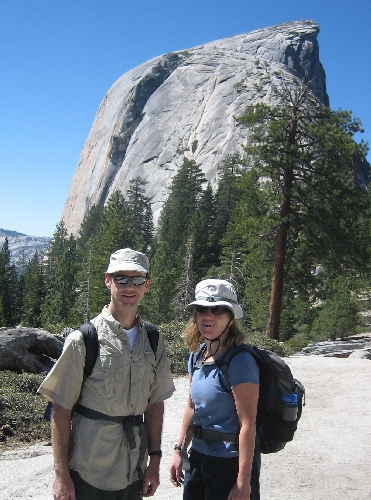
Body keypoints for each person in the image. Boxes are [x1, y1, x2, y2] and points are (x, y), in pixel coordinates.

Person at [39, 248, 175, 500]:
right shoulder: (83, 339)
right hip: (88, 471)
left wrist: (154, 461)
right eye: (121, 278)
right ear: (107, 280)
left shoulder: (154, 340)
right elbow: (60, 410)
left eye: (137, 279)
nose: (129, 286)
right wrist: (61, 475)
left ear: (147, 285)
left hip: (133, 470)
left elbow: (155, 404)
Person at [169, 279, 261, 500]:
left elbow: (248, 424)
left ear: (231, 319)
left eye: (218, 310)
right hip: (199, 457)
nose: (208, 316)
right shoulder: (197, 356)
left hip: (228, 463)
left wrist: (243, 483)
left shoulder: (240, 361)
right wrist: (179, 450)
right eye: (202, 309)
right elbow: (192, 406)